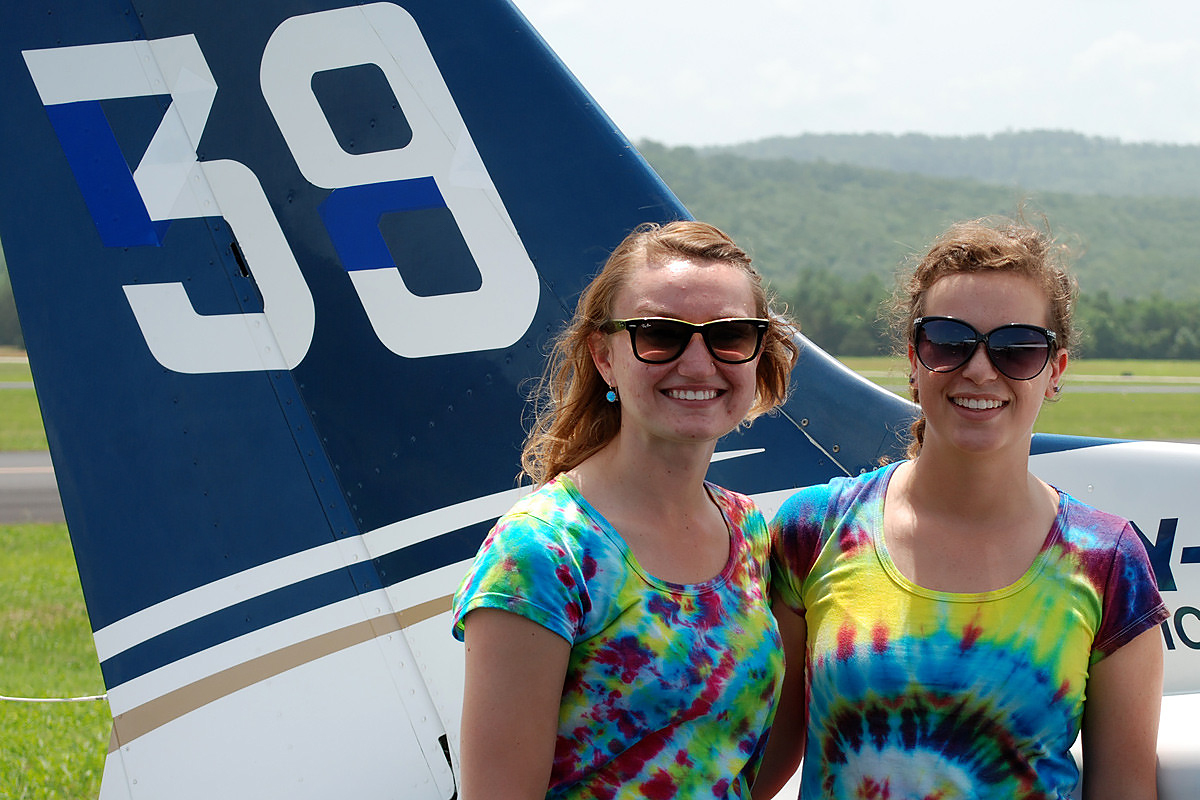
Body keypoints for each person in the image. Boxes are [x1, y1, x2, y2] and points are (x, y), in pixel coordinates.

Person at [756, 218, 1168, 800]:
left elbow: (1125, 789)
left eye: (1017, 349)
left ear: (1055, 372)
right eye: (949, 341)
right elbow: (757, 765)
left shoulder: (1108, 564)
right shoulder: (813, 532)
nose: (980, 369)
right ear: (914, 361)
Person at [451, 220, 800, 800]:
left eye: (731, 335)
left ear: (758, 354)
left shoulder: (751, 533)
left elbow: (740, 764)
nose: (697, 363)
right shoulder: (542, 552)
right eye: (659, 334)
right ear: (604, 356)